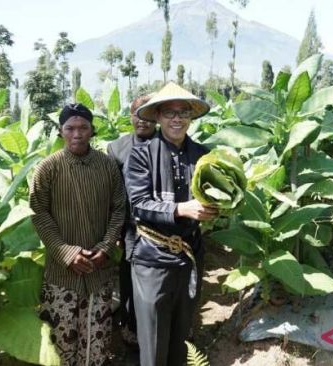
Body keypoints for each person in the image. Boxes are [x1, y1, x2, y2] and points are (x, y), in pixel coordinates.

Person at [125, 82, 217, 366]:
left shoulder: (204, 155)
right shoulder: (141, 154)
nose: (176, 118)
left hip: (189, 255)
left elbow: (217, 192)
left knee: (182, 335)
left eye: (183, 112)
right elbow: (138, 203)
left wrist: (218, 207)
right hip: (152, 259)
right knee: (153, 342)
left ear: (191, 116)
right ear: (158, 117)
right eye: (169, 113)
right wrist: (180, 208)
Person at [30, 103, 126, 366]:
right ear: (61, 131)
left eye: (83, 127)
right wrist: (67, 253)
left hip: (99, 270)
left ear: (92, 130)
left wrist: (106, 248)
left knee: (97, 341)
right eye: (70, 128)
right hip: (62, 274)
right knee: (60, 341)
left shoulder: (107, 166)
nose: (77, 134)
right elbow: (38, 213)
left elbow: (119, 208)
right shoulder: (47, 168)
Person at [106, 94, 155, 347]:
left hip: (162, 229)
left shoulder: (166, 143)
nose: (142, 121)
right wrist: (114, 232)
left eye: (147, 115)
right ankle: (130, 328)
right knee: (129, 279)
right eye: (137, 114)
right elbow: (114, 195)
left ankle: (157, 329)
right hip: (130, 228)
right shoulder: (117, 148)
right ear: (130, 117)